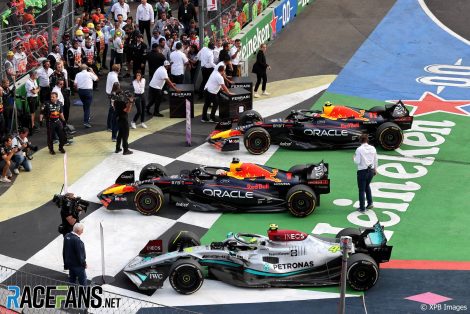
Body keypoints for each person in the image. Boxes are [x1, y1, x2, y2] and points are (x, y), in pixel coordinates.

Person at [353, 133, 378, 213]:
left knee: (361, 190)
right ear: (367, 140)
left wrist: (353, 158)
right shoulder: (373, 148)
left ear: (360, 140)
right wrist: (375, 169)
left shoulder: (359, 149)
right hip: (371, 171)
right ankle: (370, 203)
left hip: (362, 172)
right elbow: (375, 160)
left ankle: (362, 208)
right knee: (367, 186)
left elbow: (357, 161)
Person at [106, 64, 120, 140]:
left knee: (111, 110)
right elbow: (116, 88)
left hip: (109, 93)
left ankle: (109, 126)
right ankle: (110, 126)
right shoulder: (115, 78)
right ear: (118, 70)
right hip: (113, 95)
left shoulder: (110, 73)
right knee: (113, 111)